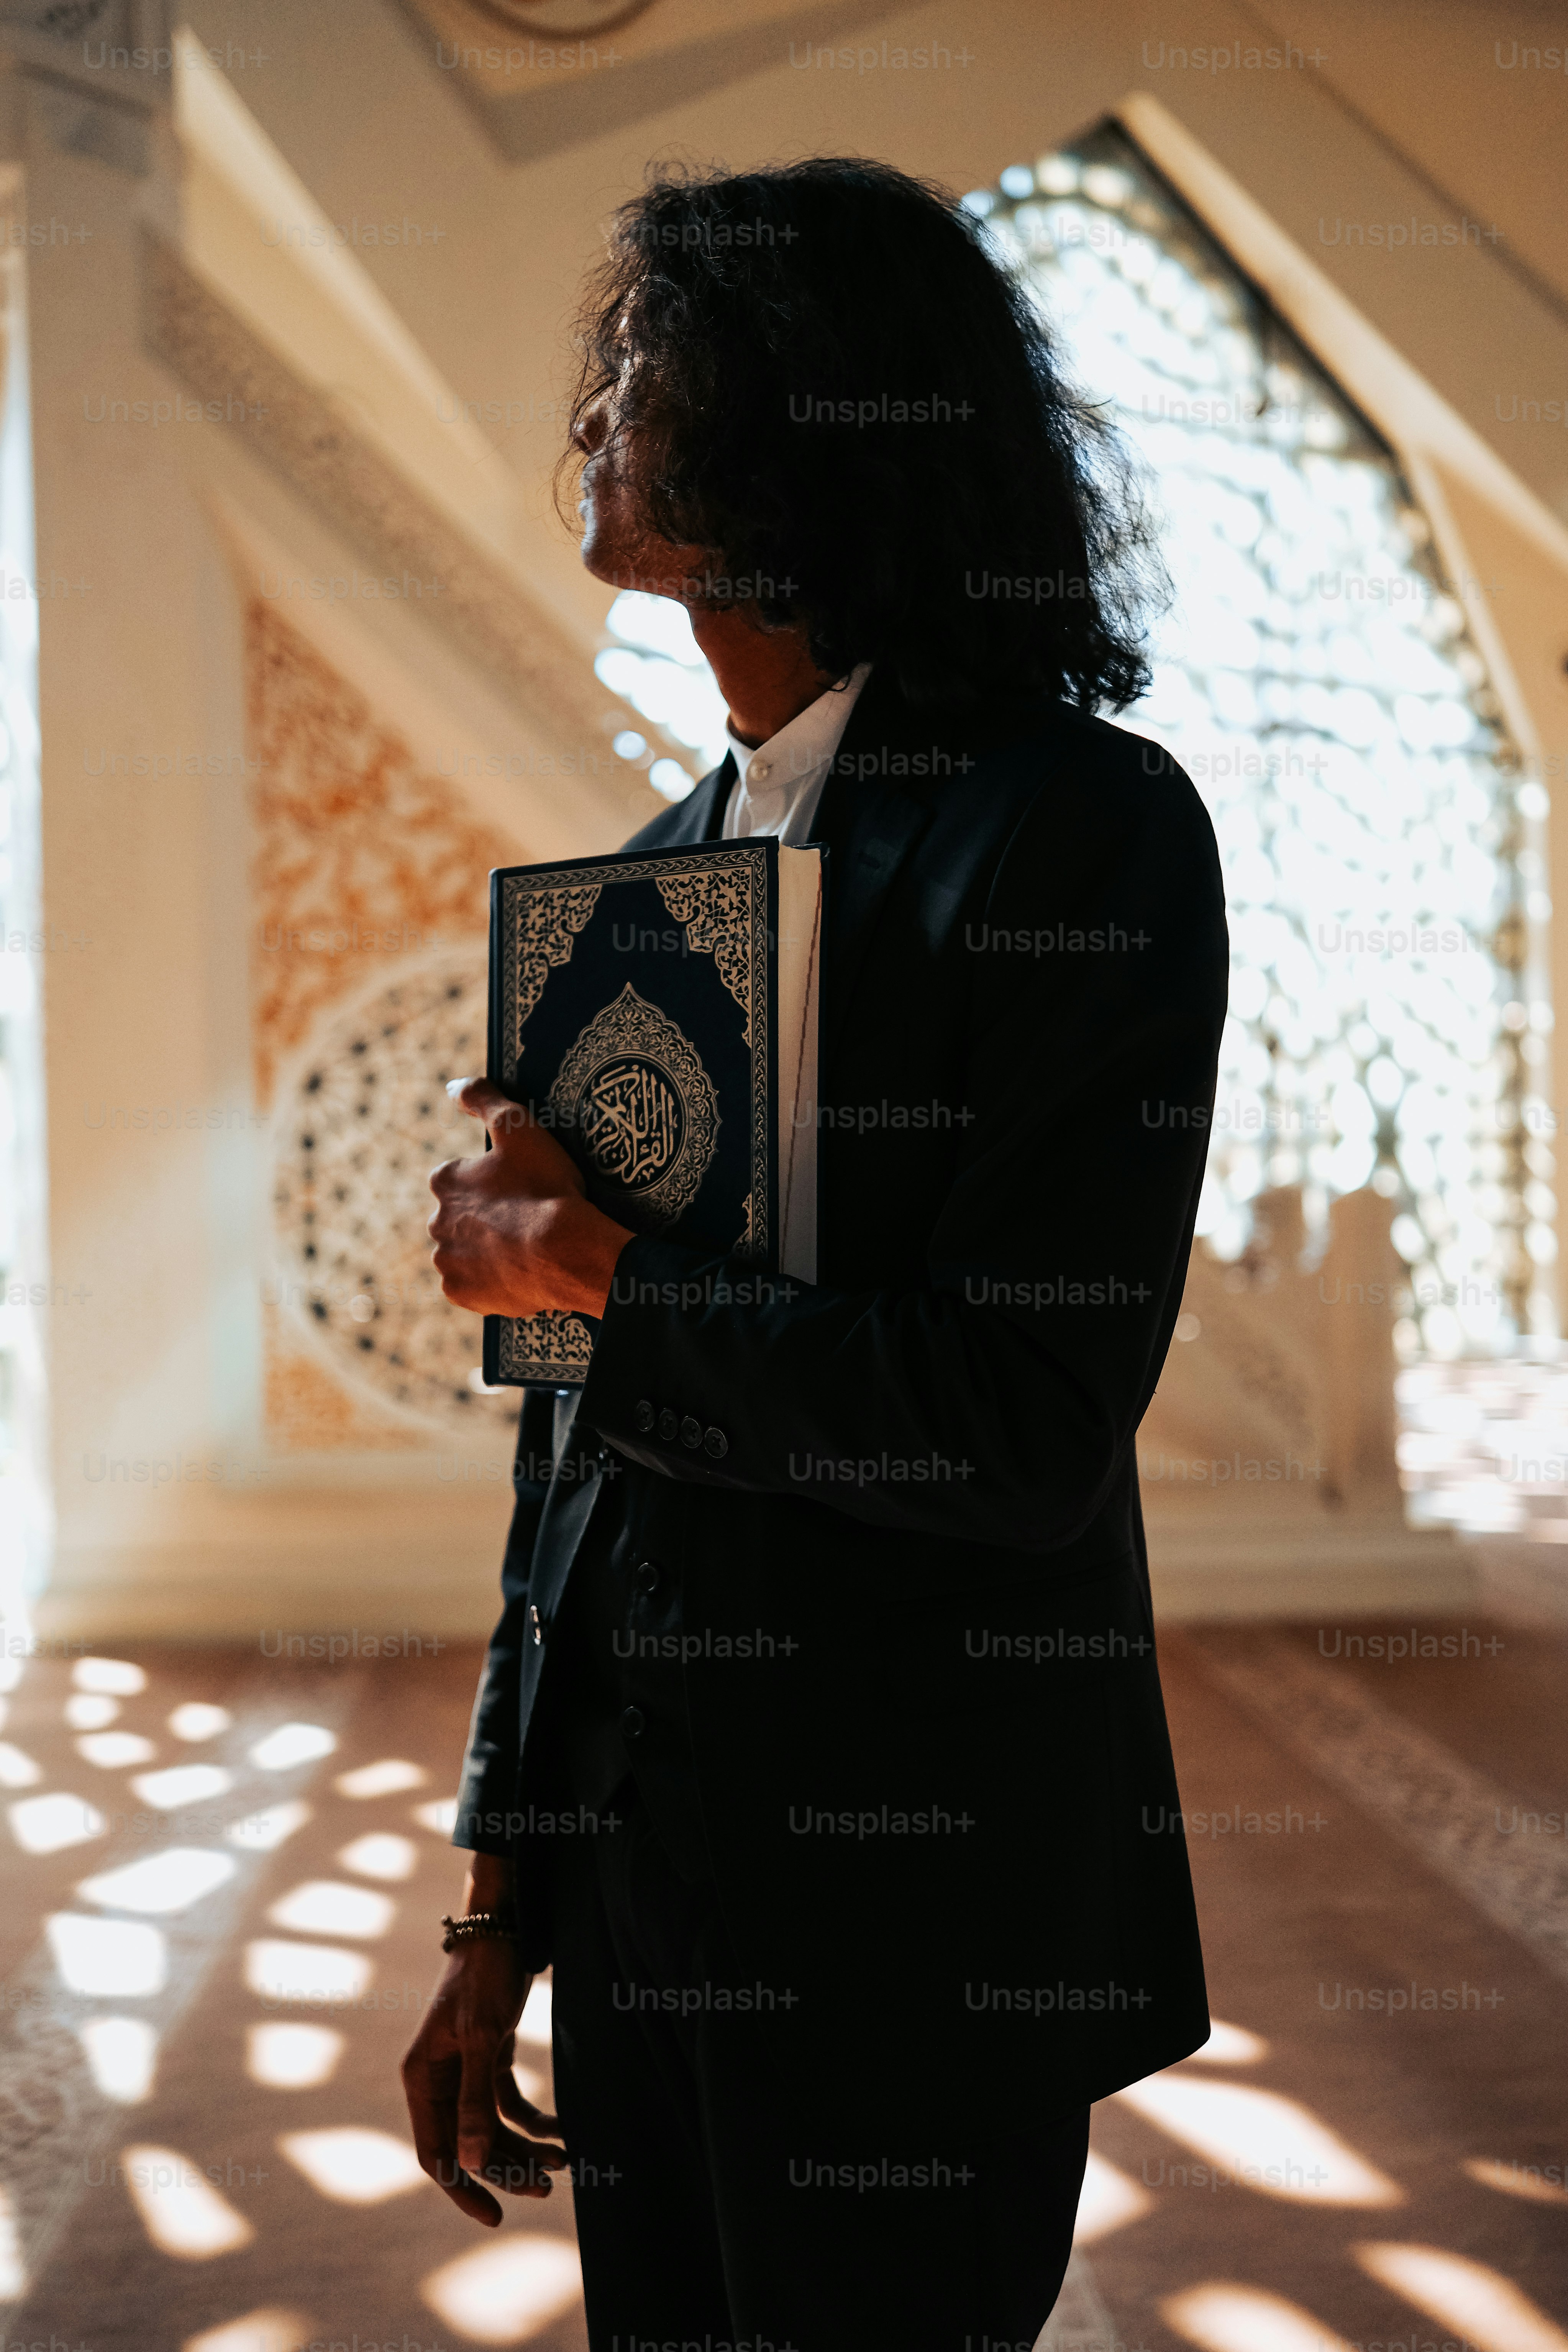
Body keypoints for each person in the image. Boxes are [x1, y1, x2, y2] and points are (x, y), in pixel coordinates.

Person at [402, 155, 1227, 2352]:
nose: (591, 412)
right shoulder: (656, 876)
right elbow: (573, 1460)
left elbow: (1018, 1422)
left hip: (921, 1912)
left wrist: (588, 1267)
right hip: (651, 1901)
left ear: (814, 410)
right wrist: (500, 1904)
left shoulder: (1081, 829)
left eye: (643, 365)